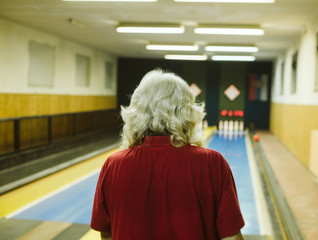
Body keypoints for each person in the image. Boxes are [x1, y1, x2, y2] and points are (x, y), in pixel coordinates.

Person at [91, 69, 245, 240]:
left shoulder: (113, 165)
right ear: (188, 112)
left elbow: (106, 234)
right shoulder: (213, 163)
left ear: (136, 111)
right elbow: (232, 237)